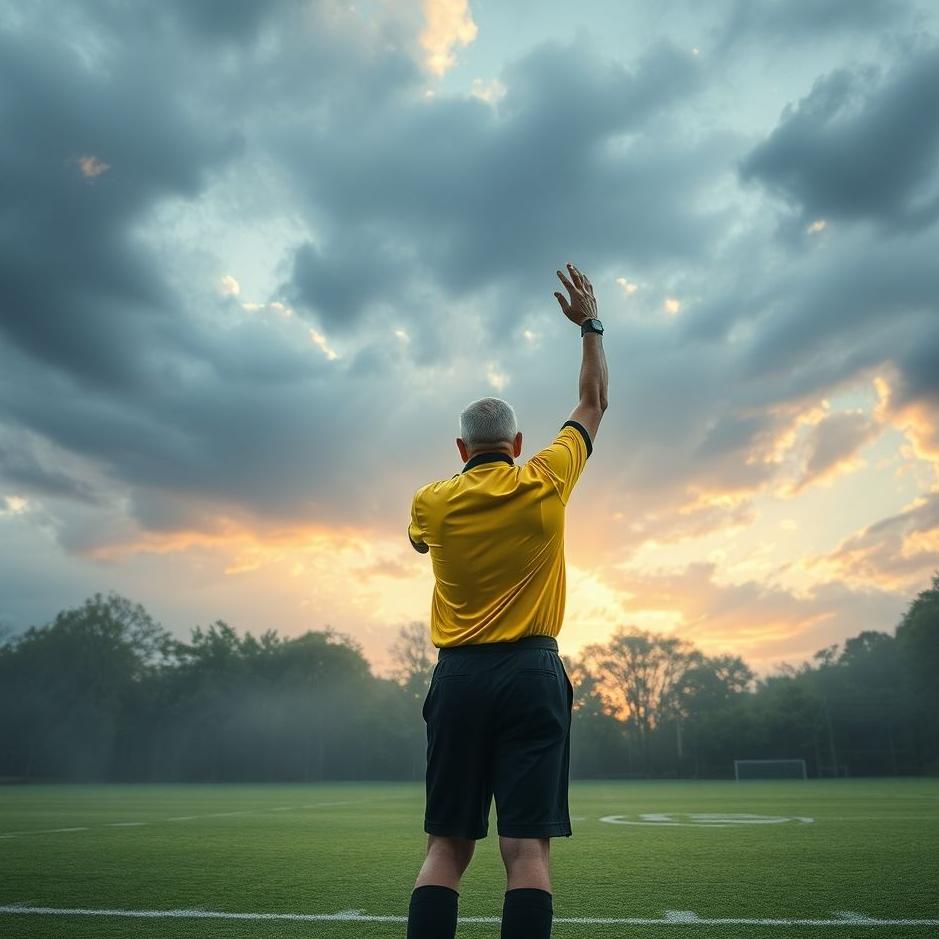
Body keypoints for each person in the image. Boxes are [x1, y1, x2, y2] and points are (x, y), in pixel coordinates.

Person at [404, 263, 609, 939]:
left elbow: (417, 544)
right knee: (525, 851)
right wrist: (589, 325)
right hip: (531, 673)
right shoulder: (545, 476)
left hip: (458, 676)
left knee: (445, 847)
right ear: (518, 445)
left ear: (460, 448)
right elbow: (592, 403)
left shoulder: (430, 500)